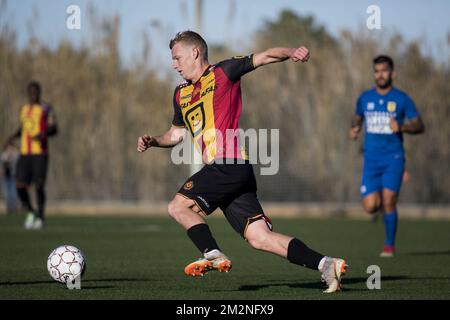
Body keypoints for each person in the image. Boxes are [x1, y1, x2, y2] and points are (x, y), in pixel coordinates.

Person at [137, 31, 347, 293]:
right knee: (260, 238)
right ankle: (326, 265)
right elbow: (175, 135)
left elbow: (265, 56)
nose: (174, 64)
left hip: (229, 163)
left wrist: (291, 51)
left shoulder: (224, 71)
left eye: (177, 57)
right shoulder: (180, 94)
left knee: (178, 206)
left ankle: (212, 253)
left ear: (195, 53)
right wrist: (153, 140)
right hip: (229, 173)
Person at [349, 55, 424, 257]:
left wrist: (402, 126)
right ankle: (380, 204)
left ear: (393, 73)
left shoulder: (402, 99)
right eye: (377, 71)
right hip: (371, 161)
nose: (380, 74)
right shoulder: (365, 98)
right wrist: (354, 128)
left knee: (390, 201)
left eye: (384, 70)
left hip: (394, 159)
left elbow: (419, 125)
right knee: (371, 207)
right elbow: (357, 117)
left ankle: (389, 245)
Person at [4, 81, 58, 229]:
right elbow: (23, 129)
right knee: (20, 186)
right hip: (25, 154)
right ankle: (32, 212)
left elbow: (54, 128)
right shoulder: (23, 109)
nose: (33, 94)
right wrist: (11, 138)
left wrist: (43, 135)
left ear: (39, 92)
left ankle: (40, 217)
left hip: (40, 153)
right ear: (28, 93)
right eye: (31, 91)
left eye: (36, 91)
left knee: (39, 185)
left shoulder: (46, 109)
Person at [1, 144, 19, 213]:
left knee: (14, 193)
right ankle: (9, 208)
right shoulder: (2, 157)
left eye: (11, 149)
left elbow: (18, 161)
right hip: (5, 178)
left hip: (13, 177)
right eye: (8, 149)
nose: (9, 150)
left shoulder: (15, 157)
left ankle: (14, 208)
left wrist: (13, 155)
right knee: (7, 194)